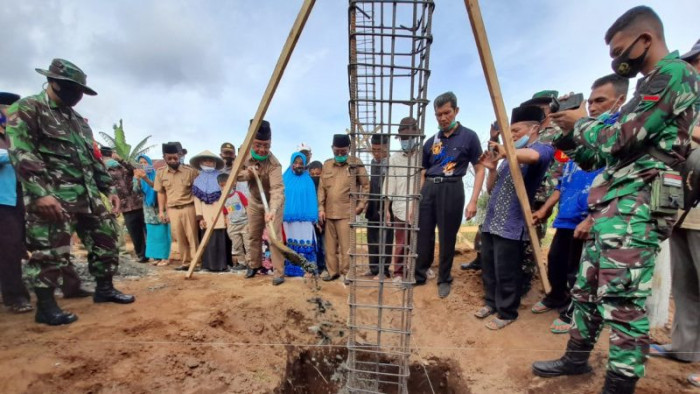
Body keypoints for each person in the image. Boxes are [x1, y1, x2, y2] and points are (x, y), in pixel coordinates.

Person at [532, 7, 699, 393]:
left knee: (623, 300)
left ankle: (619, 385)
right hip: (615, 203)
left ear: (646, 40)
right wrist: (563, 135)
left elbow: (617, 139)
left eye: (621, 50)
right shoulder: (644, 89)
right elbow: (597, 156)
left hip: (639, 203)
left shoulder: (676, 75)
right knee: (588, 288)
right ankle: (575, 359)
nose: (617, 60)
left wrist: (583, 124)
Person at [6, 58, 135, 326]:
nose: (77, 95)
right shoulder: (29, 109)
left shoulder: (78, 121)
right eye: (71, 88)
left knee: (106, 239)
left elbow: (93, 159)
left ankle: (105, 289)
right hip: (53, 196)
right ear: (52, 82)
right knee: (50, 250)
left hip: (88, 194)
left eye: (80, 91)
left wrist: (108, 188)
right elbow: (22, 153)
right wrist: (40, 193)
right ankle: (46, 305)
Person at [530, 74, 628, 334]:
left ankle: (572, 312)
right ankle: (555, 298)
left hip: (590, 215)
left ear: (621, 100)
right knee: (557, 261)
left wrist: (592, 217)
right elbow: (564, 180)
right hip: (568, 213)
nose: (593, 107)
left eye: (600, 101)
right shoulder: (583, 137)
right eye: (591, 101)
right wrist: (546, 208)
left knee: (580, 271)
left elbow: (615, 180)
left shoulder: (617, 135)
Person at [648, 38, 700, 383]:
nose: (691, 69)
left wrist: (684, 130)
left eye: (695, 63)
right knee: (686, 285)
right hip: (684, 206)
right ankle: (686, 348)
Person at [474, 105, 554, 330]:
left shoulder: (542, 149)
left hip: (512, 224)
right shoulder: (509, 158)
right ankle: (491, 303)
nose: (511, 136)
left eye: (516, 131)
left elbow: (533, 156)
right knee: (489, 267)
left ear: (534, 128)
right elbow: (491, 189)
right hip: (492, 222)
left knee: (507, 271)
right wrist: (491, 169)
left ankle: (507, 311)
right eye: (509, 132)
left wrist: (506, 149)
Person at [415, 91, 485, 298]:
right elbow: (422, 170)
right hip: (429, 188)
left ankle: (444, 278)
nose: (443, 118)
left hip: (452, 188)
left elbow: (480, 168)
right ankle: (419, 274)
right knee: (423, 233)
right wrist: (420, 194)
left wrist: (473, 201)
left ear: (456, 111)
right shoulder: (431, 141)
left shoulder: (469, 137)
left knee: (447, 236)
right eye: (438, 115)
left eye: (447, 113)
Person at [518, 90, 562, 294]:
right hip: (524, 189)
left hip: (542, 192)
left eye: (541, 107)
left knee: (532, 238)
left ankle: (526, 278)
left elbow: (562, 165)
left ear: (550, 107)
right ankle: (516, 274)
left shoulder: (558, 131)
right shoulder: (531, 132)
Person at [318, 134, 369, 284]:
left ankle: (347, 273)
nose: (340, 154)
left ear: (348, 149)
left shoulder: (356, 163)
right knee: (330, 247)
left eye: (343, 151)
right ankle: (332, 272)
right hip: (328, 212)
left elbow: (366, 185)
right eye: (337, 151)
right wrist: (320, 208)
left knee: (347, 247)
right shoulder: (326, 165)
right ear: (332, 148)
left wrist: (360, 205)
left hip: (347, 213)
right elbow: (322, 189)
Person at [240, 120, 286, 286]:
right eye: (258, 145)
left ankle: (278, 273)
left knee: (274, 238)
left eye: (266, 145)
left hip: (273, 204)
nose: (262, 149)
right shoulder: (243, 155)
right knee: (253, 235)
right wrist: (249, 174)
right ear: (251, 141)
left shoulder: (275, 164)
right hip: (254, 202)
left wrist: (272, 209)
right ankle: (253, 265)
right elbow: (235, 176)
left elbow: (277, 190)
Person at [0, 92, 32, 314]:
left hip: (17, 197)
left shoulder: (11, 135)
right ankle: (15, 297)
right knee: (9, 248)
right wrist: (16, 154)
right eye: (9, 110)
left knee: (18, 246)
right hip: (2, 201)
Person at [384, 117, 422, 281]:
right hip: (399, 206)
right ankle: (398, 272)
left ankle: (417, 270)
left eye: (409, 138)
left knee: (418, 241)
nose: (406, 141)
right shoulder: (394, 158)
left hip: (418, 205)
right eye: (404, 139)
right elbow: (389, 184)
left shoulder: (421, 156)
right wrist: (386, 208)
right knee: (400, 242)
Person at [154, 142, 200, 271]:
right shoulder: (161, 173)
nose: (173, 160)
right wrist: (162, 211)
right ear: (164, 157)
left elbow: (198, 191)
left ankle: (196, 262)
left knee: (192, 236)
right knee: (179, 237)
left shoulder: (191, 171)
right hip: (172, 210)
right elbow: (161, 192)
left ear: (179, 155)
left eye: (175, 157)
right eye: (169, 158)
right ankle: (185, 263)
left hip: (189, 207)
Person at [103, 150, 147, 262]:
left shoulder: (124, 168)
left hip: (139, 203)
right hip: (125, 207)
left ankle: (155, 255)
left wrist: (121, 160)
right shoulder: (104, 172)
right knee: (135, 233)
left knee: (148, 231)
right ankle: (142, 255)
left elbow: (136, 169)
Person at [282, 152, 319, 277]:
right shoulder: (284, 179)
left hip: (306, 220)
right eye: (296, 163)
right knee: (291, 245)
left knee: (306, 243)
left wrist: (314, 217)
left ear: (304, 165)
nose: (298, 165)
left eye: (301, 163)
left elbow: (313, 199)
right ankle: (292, 270)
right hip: (289, 219)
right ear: (291, 163)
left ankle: (308, 269)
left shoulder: (308, 181)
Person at [191, 150, 228, 272]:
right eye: (205, 160)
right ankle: (208, 265)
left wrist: (227, 214)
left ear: (215, 163)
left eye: (211, 160)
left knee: (220, 238)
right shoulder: (197, 181)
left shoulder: (221, 177)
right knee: (208, 239)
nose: (208, 162)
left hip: (220, 211)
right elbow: (197, 200)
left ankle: (222, 265)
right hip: (205, 212)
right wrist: (199, 217)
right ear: (201, 162)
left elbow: (227, 195)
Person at [364, 134, 393, 279]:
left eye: (379, 150)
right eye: (374, 150)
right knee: (372, 238)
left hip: (388, 205)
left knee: (385, 238)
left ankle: (384, 270)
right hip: (373, 205)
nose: (376, 153)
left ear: (387, 148)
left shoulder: (392, 163)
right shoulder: (374, 163)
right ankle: (373, 267)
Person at [133, 155, 171, 264]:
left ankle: (164, 257)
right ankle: (156, 256)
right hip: (148, 208)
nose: (144, 165)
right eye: (141, 163)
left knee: (162, 232)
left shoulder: (157, 174)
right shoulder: (137, 176)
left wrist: (146, 178)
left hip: (160, 206)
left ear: (150, 163)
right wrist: (138, 179)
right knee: (152, 233)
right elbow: (136, 191)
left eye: (146, 162)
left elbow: (158, 188)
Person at [220, 173, 250, 271]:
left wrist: (250, 222)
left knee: (248, 244)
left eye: (227, 185)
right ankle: (242, 263)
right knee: (237, 246)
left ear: (233, 183)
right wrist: (229, 227)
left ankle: (251, 263)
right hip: (233, 225)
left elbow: (247, 207)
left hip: (245, 223)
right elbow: (225, 214)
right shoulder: (222, 199)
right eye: (222, 186)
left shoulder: (239, 195)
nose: (225, 188)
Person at [308, 160, 326, 273]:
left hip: (324, 220)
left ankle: (324, 266)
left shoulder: (325, 187)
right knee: (313, 244)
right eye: (312, 175)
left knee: (324, 245)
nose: (315, 176)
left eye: (318, 174)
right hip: (311, 220)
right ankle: (315, 267)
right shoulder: (308, 188)